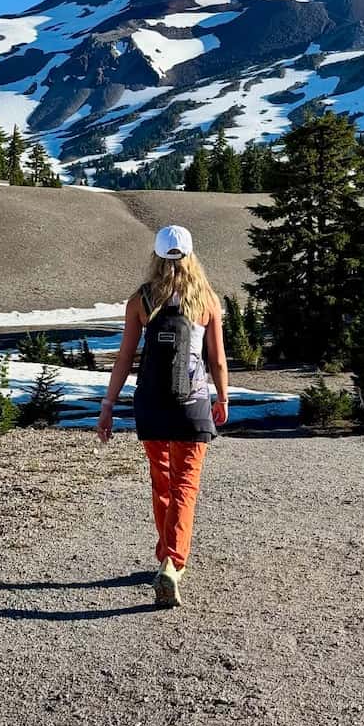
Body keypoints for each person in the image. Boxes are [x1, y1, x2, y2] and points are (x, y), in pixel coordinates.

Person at [96, 224, 228, 607]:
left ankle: (166, 553)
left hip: (151, 405)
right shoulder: (205, 299)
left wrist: (107, 407)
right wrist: (222, 397)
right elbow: (216, 359)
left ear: (156, 256)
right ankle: (173, 562)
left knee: (162, 481)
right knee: (185, 485)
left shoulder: (140, 300)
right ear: (190, 256)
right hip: (192, 407)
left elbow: (125, 358)